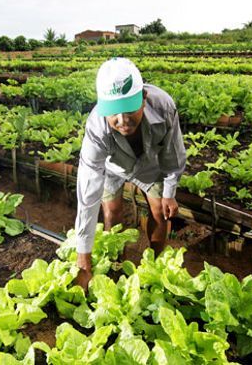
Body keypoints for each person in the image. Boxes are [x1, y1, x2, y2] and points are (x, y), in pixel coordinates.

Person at [73, 57, 186, 290]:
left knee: (160, 212)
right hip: (113, 166)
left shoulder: (164, 107)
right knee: (112, 214)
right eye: (113, 113)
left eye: (129, 110)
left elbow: (173, 155)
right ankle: (116, 264)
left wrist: (170, 192)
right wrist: (83, 261)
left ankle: (155, 267)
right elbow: (88, 193)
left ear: (143, 98)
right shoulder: (97, 127)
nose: (122, 121)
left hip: (150, 164)